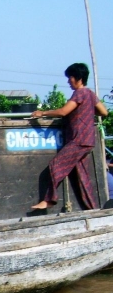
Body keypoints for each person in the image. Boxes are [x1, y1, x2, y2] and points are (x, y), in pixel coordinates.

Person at [31, 63, 109, 211]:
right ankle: (92, 210)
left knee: (56, 165)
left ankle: (49, 200)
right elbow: (104, 112)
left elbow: (63, 112)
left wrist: (43, 113)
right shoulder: (90, 94)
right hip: (87, 140)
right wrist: (87, 111)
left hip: (78, 139)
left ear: (78, 78)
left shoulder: (80, 93)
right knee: (82, 177)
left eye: (70, 78)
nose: (68, 81)